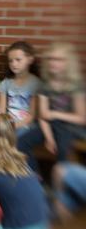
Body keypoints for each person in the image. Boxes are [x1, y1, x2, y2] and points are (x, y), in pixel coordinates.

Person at [18, 42, 86, 172]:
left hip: (71, 128)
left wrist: (54, 114)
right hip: (50, 126)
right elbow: (43, 116)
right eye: (50, 59)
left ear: (68, 63)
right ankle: (35, 176)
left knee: (63, 146)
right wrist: (49, 138)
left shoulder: (76, 85)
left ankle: (63, 183)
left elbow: (81, 118)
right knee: (20, 143)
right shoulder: (45, 85)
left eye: (59, 59)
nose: (53, 62)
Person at [0, 41, 42, 137]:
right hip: (8, 124)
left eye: (18, 60)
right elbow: (1, 111)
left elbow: (32, 115)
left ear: (30, 59)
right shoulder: (6, 83)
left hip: (26, 125)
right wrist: (4, 125)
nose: (14, 64)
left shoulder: (36, 83)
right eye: (11, 60)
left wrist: (15, 126)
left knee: (16, 139)